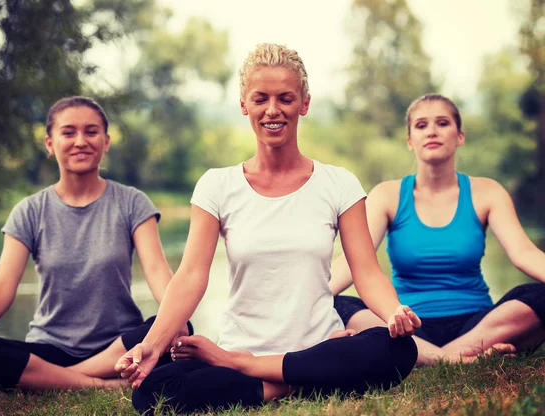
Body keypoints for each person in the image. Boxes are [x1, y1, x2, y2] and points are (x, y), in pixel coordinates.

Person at [114, 43, 421, 415]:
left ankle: (254, 372)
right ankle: (301, 380)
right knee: (152, 392)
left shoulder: (338, 183)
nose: (272, 110)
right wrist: (151, 345)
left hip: (315, 347)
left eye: (286, 98)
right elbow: (191, 275)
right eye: (260, 99)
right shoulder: (217, 185)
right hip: (245, 345)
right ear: (244, 104)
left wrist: (393, 313)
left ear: (304, 103)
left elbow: (366, 272)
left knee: (399, 348)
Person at [0, 96, 191, 391]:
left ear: (106, 142)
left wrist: (175, 316)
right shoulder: (29, 211)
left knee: (180, 326)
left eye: (91, 131)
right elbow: (2, 286)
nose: (80, 141)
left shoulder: (132, 202)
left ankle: (56, 379)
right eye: (68, 132)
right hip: (50, 348)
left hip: (118, 343)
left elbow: (155, 269)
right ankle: (102, 384)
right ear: (50, 144)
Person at [331, 93, 545, 366]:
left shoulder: (488, 192)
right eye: (421, 125)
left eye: (442, 123)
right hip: (408, 326)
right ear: (410, 141)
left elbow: (524, 252)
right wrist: (314, 296)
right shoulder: (387, 195)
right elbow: (354, 262)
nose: (432, 131)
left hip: (477, 323)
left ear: (460, 136)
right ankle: (452, 359)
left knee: (539, 295)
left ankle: (427, 359)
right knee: (338, 304)